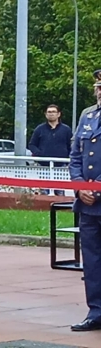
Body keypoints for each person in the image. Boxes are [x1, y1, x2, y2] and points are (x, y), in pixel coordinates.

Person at [69, 75, 101, 331]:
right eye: (97, 87)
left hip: (98, 195)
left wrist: (96, 189)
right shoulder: (87, 115)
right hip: (87, 203)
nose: (98, 91)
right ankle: (96, 311)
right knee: (91, 260)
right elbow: (76, 154)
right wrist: (80, 186)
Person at [28, 104, 73, 196]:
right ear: (45, 114)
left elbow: (71, 146)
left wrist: (69, 159)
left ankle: (60, 208)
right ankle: (43, 209)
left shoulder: (66, 130)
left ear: (59, 114)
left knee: (60, 191)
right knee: (44, 190)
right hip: (43, 165)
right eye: (49, 112)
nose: (51, 114)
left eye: (53, 112)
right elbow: (32, 144)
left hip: (60, 165)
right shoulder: (39, 129)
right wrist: (39, 154)